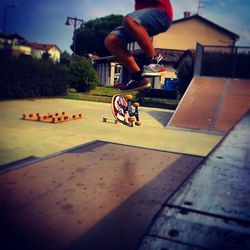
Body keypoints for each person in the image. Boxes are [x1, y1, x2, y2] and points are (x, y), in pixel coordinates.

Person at [105, 0, 173, 91]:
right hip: (143, 20)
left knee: (130, 20)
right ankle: (138, 78)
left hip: (161, 13)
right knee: (112, 40)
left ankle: (155, 61)